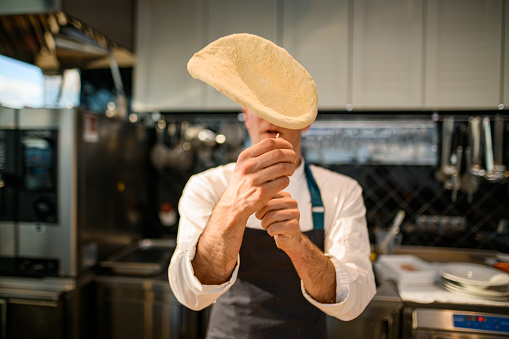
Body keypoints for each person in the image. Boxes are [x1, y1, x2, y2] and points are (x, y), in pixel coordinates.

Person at [169, 108, 376, 338]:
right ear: (246, 115)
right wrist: (233, 208)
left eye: (281, 107)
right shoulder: (206, 186)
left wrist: (298, 246)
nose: (269, 117)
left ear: (305, 120)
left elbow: (354, 301)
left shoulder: (342, 191)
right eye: (259, 107)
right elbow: (190, 293)